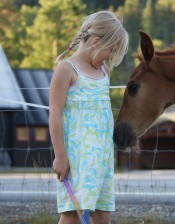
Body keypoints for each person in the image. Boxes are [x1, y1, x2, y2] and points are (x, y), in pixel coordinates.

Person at [49, 10, 128, 224]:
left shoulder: (104, 72)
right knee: (73, 215)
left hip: (102, 158)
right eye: (110, 52)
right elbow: (54, 113)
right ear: (95, 42)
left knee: (103, 214)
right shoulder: (67, 69)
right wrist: (60, 156)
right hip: (77, 159)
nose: (110, 58)